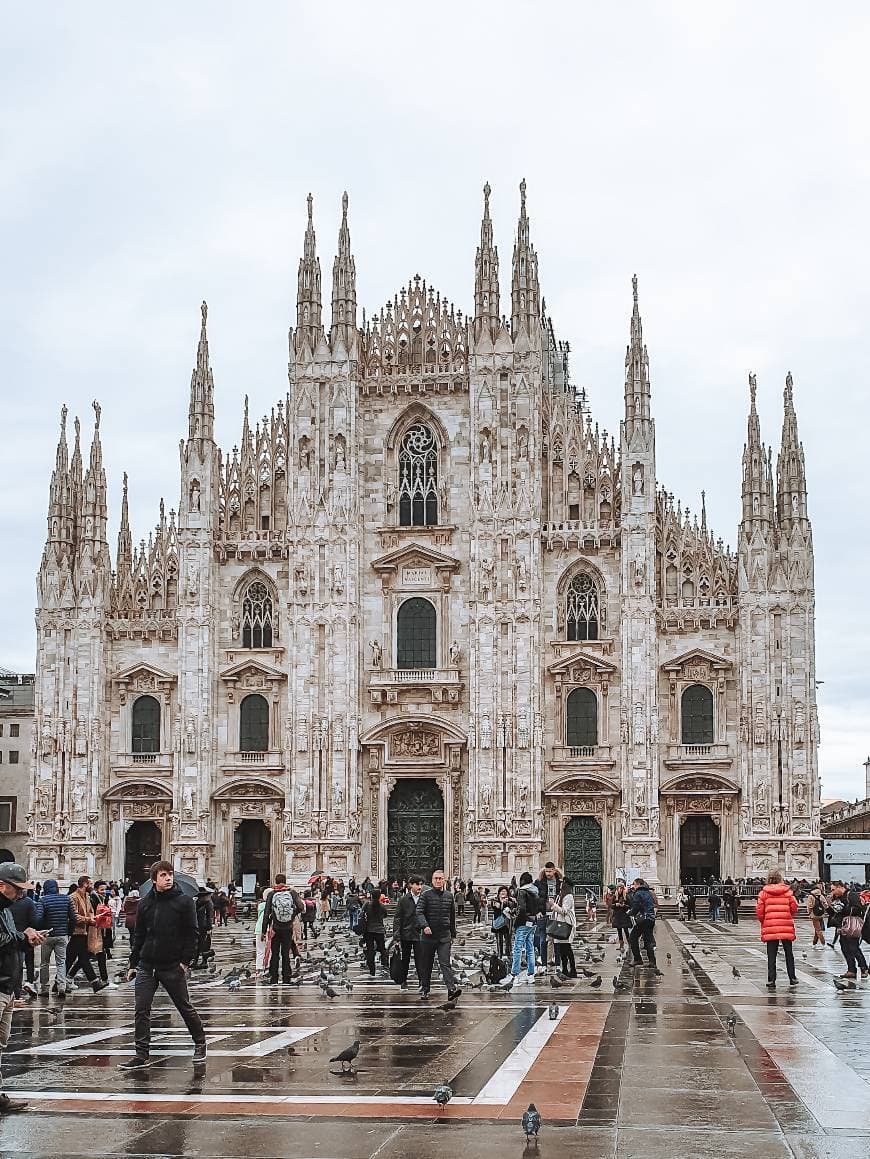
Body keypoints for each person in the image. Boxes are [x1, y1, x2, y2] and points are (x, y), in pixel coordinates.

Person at [121, 861, 205, 1070]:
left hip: (171, 965)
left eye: (170, 874)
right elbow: (139, 935)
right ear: (154, 879)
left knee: (184, 1006)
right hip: (147, 964)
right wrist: (133, 963)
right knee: (141, 1009)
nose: (168, 878)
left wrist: (185, 962)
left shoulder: (184, 902)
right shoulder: (146, 903)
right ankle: (141, 1054)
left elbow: (192, 933)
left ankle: (200, 1043)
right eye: (163, 875)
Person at [0, 863, 47, 1114]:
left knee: (0, 1044)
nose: (21, 894)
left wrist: (28, 939)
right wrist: (22, 935)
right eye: (17, 889)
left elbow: (11, 942)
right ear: (2, 886)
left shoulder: (7, 911)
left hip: (7, 985)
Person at [415, 869, 461, 1001]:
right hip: (428, 936)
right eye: (436, 878)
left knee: (445, 963)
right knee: (427, 964)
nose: (438, 880)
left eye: (440, 878)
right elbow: (419, 912)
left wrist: (453, 934)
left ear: (444, 880)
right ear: (432, 880)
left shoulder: (449, 896)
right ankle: (424, 988)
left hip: (444, 935)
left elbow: (452, 916)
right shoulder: (425, 895)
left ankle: (451, 989)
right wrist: (425, 926)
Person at [755, 868, 799, 989]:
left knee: (771, 954)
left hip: (770, 927)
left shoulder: (763, 893)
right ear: (780, 879)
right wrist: (788, 916)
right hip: (786, 925)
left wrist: (765, 921)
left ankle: (771, 979)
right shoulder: (788, 892)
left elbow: (759, 911)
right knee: (788, 953)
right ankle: (792, 978)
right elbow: (794, 907)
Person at [67, 875, 108, 994]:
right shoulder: (73, 897)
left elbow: (90, 912)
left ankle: (59, 981)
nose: (92, 886)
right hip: (76, 932)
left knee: (70, 959)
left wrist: (94, 918)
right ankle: (95, 982)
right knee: (84, 958)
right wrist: (89, 920)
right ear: (85, 884)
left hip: (85, 931)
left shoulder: (87, 896)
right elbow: (74, 916)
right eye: (90, 884)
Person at [501, 872, 543, 986]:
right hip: (533, 922)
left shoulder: (522, 891)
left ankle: (514, 975)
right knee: (530, 948)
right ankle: (530, 975)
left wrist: (512, 913)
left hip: (523, 923)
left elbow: (522, 909)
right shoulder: (535, 891)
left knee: (518, 949)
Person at [37, 878, 75, 997]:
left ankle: (44, 988)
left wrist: (42, 929)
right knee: (61, 962)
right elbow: (73, 918)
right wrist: (69, 932)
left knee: (44, 963)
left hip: (47, 935)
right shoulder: (66, 899)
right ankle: (61, 986)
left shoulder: (43, 900)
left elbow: (38, 919)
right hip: (62, 935)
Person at [264, 874, 303, 985]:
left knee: (275, 953)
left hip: (275, 928)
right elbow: (301, 907)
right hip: (288, 927)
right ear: (285, 881)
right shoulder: (292, 893)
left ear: (276, 882)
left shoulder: (272, 893)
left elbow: (267, 913)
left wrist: (263, 930)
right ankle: (287, 977)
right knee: (285, 953)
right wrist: (292, 915)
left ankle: (274, 978)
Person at [828, 881, 868, 981]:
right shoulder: (838, 898)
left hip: (852, 925)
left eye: (833, 889)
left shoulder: (852, 895)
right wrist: (829, 907)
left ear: (840, 887)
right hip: (843, 926)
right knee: (844, 947)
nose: (832, 892)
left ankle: (864, 968)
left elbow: (858, 909)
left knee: (854, 947)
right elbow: (835, 913)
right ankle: (851, 970)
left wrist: (843, 908)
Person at [392, 875, 424, 990]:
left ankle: (422, 981)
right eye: (417, 884)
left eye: (421, 884)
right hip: (406, 934)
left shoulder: (424, 898)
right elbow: (398, 918)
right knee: (405, 959)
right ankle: (404, 980)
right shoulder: (404, 899)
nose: (420, 887)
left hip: (420, 934)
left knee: (421, 959)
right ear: (411, 885)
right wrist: (396, 936)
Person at [11, 888, 43, 997]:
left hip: (11, 937)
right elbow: (35, 921)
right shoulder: (28, 902)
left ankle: (15, 990)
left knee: (15, 965)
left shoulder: (8, 902)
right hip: (26, 937)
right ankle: (29, 982)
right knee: (29, 962)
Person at [628, 878, 660, 972]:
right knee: (648, 940)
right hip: (651, 919)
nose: (633, 886)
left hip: (643, 919)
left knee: (633, 938)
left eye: (634, 884)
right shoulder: (649, 893)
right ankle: (652, 962)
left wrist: (630, 913)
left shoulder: (638, 893)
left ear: (638, 884)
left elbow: (636, 907)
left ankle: (638, 959)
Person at [551, 878, 577, 977]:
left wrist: (553, 905)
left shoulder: (569, 897)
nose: (560, 885)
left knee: (567, 948)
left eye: (562, 883)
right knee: (562, 949)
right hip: (561, 925)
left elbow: (564, 911)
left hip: (566, 925)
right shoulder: (562, 896)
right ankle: (565, 969)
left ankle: (573, 970)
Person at [361, 891, 389, 977]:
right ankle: (385, 965)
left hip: (369, 930)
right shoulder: (382, 906)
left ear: (371, 896)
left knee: (370, 951)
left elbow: (362, 913)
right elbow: (385, 915)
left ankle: (372, 970)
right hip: (379, 930)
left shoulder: (367, 905)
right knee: (382, 949)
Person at [491, 886, 514, 959]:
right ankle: (499, 955)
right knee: (499, 940)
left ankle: (508, 954)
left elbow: (513, 908)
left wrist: (508, 902)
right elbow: (495, 907)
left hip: (507, 923)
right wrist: (502, 903)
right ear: (499, 893)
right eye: (501, 891)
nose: (503, 892)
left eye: (505, 891)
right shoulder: (495, 900)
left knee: (508, 940)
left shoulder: (510, 900)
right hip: (498, 922)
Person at [194, 887, 214, 968]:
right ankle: (195, 960)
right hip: (198, 926)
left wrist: (209, 928)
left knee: (205, 945)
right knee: (197, 945)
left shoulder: (208, 903)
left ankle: (204, 961)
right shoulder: (197, 903)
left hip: (205, 927)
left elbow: (210, 916)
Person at [805, 882, 827, 947]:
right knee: (817, 929)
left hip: (814, 915)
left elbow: (810, 906)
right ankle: (814, 943)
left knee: (818, 930)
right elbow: (826, 904)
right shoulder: (821, 895)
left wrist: (809, 913)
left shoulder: (811, 896)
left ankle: (823, 943)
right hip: (821, 914)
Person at [611, 881, 631, 951]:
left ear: (623, 889)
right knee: (619, 931)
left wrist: (624, 905)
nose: (620, 890)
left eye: (621, 888)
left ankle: (630, 944)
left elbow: (630, 906)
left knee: (626, 930)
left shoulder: (626, 896)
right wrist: (615, 905)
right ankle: (621, 945)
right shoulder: (614, 896)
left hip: (624, 915)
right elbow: (611, 905)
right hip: (617, 916)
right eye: (618, 888)